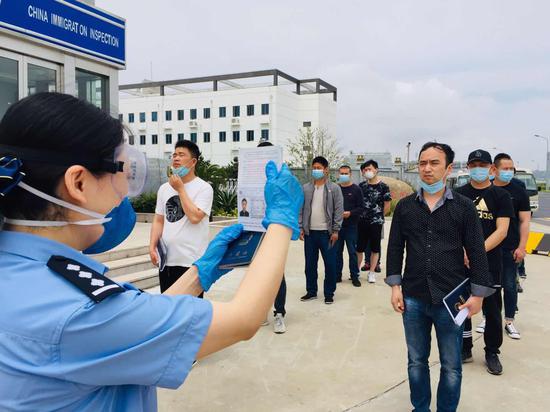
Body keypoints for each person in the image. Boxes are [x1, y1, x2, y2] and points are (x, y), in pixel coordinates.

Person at [0, 92, 304, 411]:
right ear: (78, 183)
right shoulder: (78, 312)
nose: (123, 193)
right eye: (122, 173)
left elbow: (136, 320)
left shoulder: (24, 274)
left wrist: (200, 272)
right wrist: (282, 219)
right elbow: (243, 319)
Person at [386, 142, 493, 412]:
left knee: (451, 364)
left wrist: (478, 294)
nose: (427, 168)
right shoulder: (406, 207)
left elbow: (477, 251)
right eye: (423, 163)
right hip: (413, 297)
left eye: (434, 163)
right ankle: (419, 408)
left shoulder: (464, 208)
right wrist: (395, 285)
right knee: (416, 360)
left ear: (447, 168)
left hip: (451, 299)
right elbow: (396, 247)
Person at [456, 149, 513, 375]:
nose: (477, 168)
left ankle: (491, 351)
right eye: (473, 164)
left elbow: (502, 231)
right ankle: (464, 347)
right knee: (461, 307)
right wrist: (462, 251)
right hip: (460, 262)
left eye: (482, 165)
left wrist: (476, 252)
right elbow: (452, 227)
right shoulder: (458, 194)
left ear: (491, 169)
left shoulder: (500, 196)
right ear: (468, 168)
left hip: (490, 263)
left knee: (491, 309)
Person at [150, 140, 213, 293]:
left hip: (191, 262)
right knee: (168, 307)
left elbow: (195, 217)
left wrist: (180, 189)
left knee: (190, 311)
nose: (176, 158)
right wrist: (152, 246)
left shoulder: (204, 188)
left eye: (181, 155)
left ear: (193, 162)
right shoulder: (164, 188)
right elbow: (159, 219)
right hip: (167, 260)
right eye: (174, 155)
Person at [492, 153, 531, 340]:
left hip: (510, 247)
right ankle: (488, 317)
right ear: (494, 169)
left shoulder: (519, 191)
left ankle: (508, 320)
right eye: (504, 169)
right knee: (489, 285)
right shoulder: (487, 189)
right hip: (488, 247)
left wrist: (522, 247)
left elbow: (524, 221)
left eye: (511, 169)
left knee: (509, 284)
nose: (508, 172)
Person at [299, 156, 344, 304]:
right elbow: (301, 209)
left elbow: (338, 210)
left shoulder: (334, 188)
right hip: (310, 233)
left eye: (319, 168)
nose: (316, 170)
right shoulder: (306, 188)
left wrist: (336, 230)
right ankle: (311, 291)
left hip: (327, 234)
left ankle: (329, 293)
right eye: (314, 168)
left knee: (330, 265)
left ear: (326, 170)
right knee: (309, 265)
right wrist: (301, 227)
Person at [257, 139, 287, 334]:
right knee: (258, 272)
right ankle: (261, 311)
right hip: (255, 230)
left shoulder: (281, 180)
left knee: (277, 273)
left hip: (275, 230)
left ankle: (279, 314)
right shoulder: (251, 178)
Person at [357, 160, 391, 283]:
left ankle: (371, 272)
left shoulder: (383, 187)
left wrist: (380, 217)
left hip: (376, 222)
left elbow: (387, 205)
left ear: (376, 170)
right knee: (359, 248)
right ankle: (356, 271)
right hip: (361, 222)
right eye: (365, 170)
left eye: (370, 169)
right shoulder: (361, 186)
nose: (368, 171)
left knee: (375, 249)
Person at [335, 165, 364, 287]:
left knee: (352, 252)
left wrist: (350, 213)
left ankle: (354, 276)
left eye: (346, 173)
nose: (343, 175)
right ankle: (337, 275)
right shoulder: (335, 189)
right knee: (337, 252)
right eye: (341, 173)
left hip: (351, 226)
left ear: (350, 174)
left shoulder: (356, 190)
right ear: (338, 174)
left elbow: (361, 208)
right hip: (337, 226)